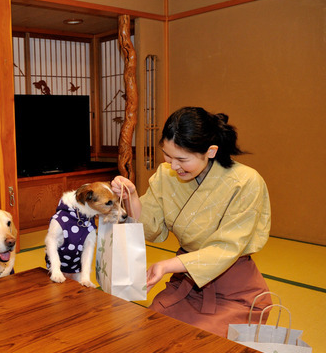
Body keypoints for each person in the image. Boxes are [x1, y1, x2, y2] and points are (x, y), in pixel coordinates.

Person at [112, 106, 272, 337]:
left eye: (182, 159)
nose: (173, 165)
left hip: (234, 289)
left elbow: (226, 248)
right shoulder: (166, 175)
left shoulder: (245, 182)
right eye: (167, 155)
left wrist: (166, 266)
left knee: (199, 346)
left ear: (211, 151)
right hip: (185, 283)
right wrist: (132, 197)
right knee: (150, 332)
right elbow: (150, 227)